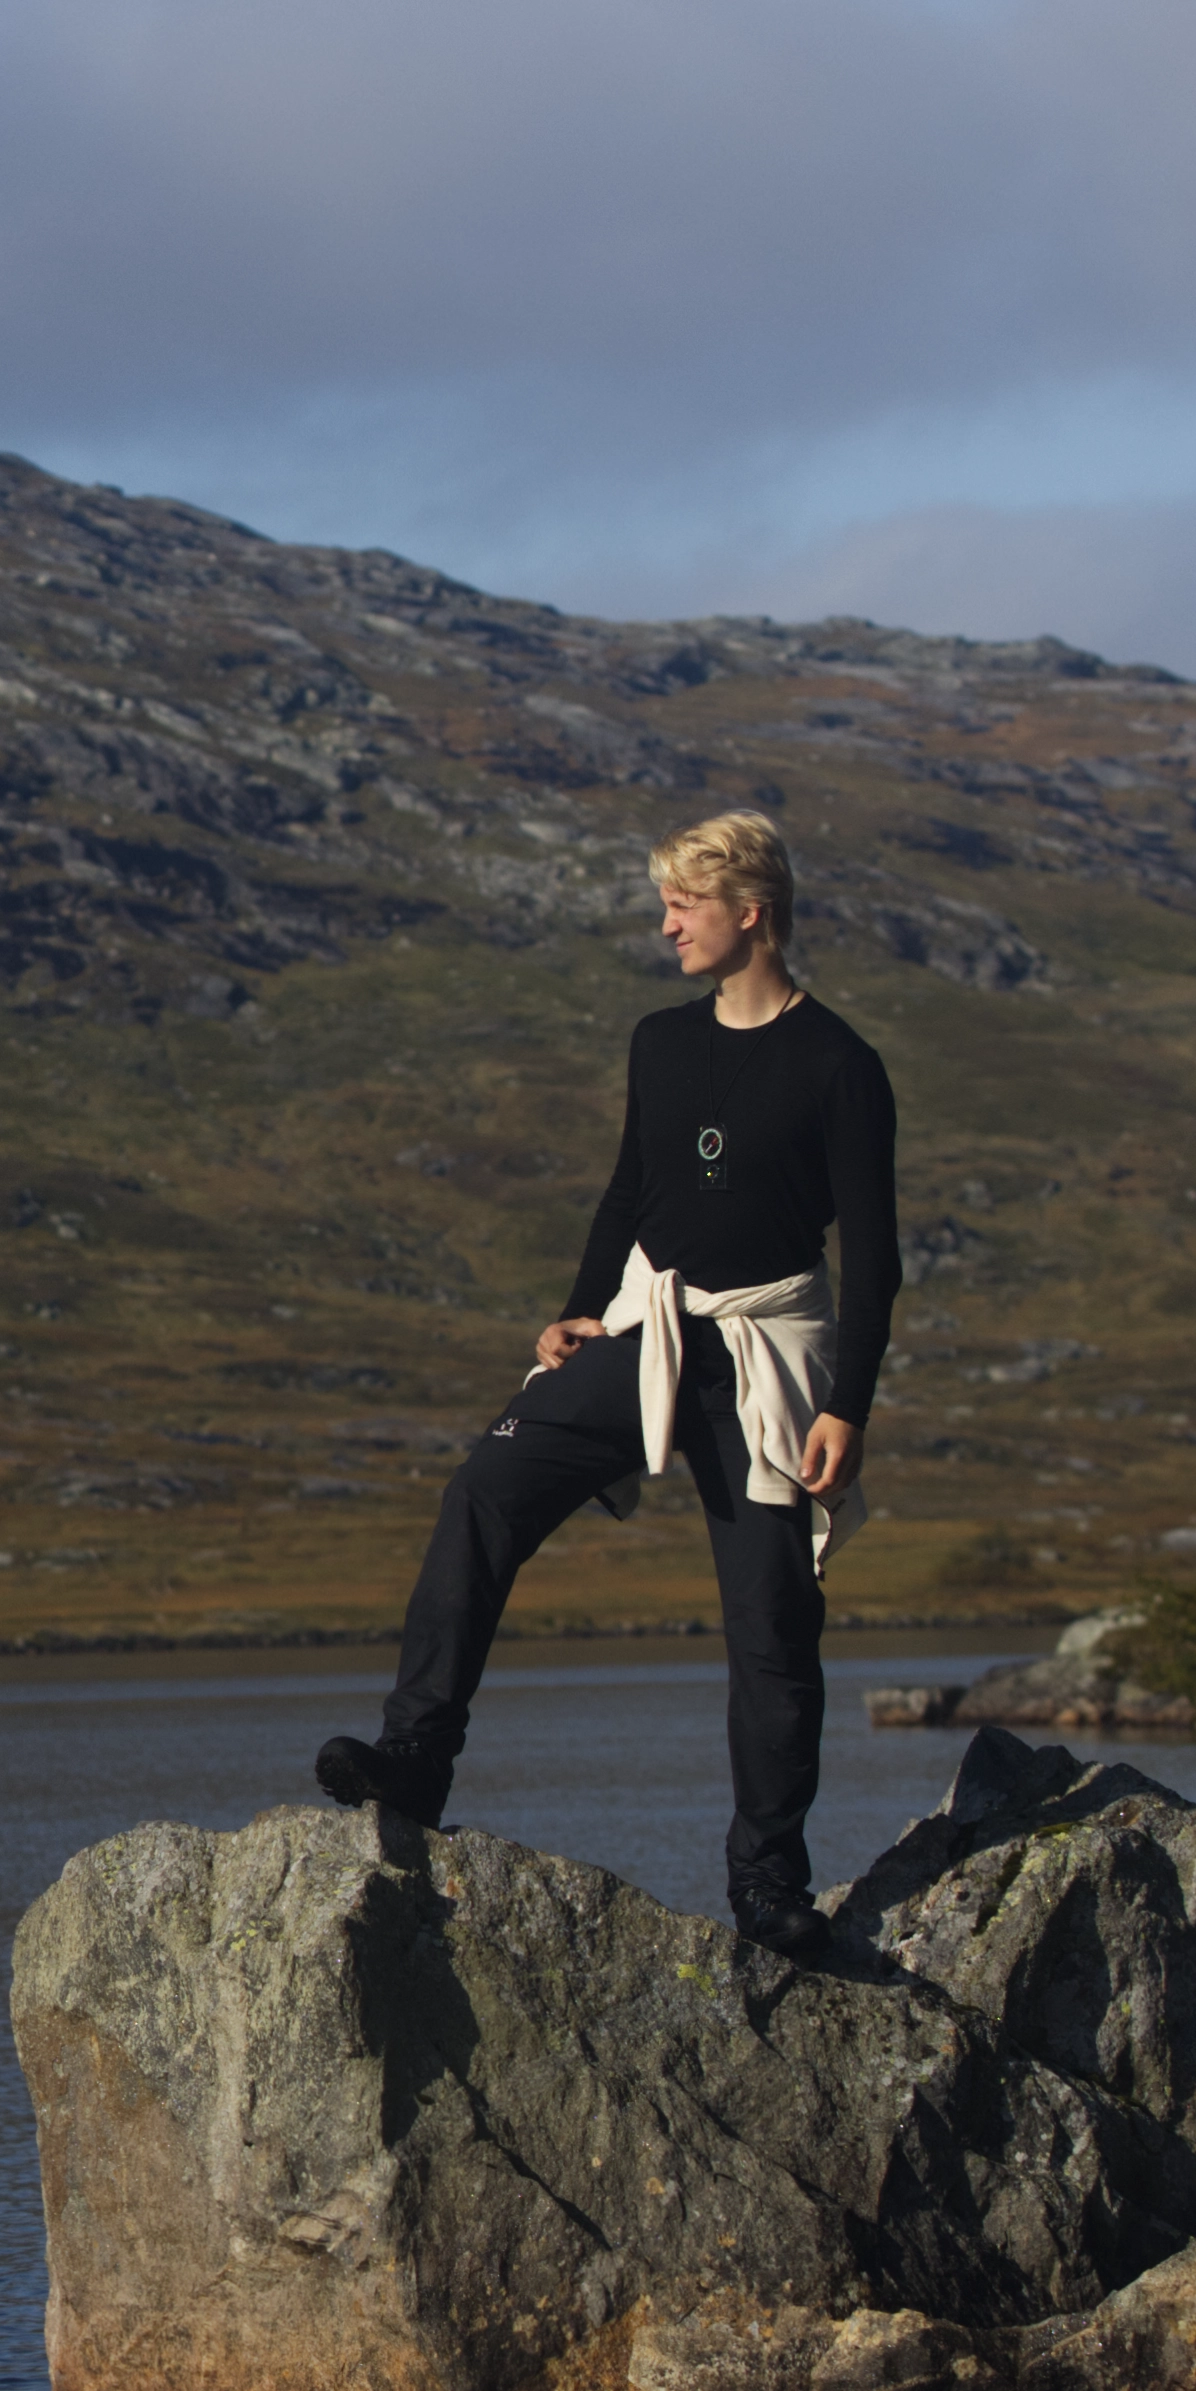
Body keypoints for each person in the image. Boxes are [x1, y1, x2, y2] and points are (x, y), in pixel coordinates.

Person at [314, 810, 898, 1938]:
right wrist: (580, 1311)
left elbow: (875, 1261)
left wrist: (850, 1407)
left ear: (751, 910)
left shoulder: (842, 1067)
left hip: (771, 1349)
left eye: (685, 903)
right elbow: (631, 1190)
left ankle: (767, 1886)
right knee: (484, 1489)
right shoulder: (661, 1042)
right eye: (666, 902)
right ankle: (415, 1762)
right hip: (648, 1327)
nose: (667, 922)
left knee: (773, 1622)